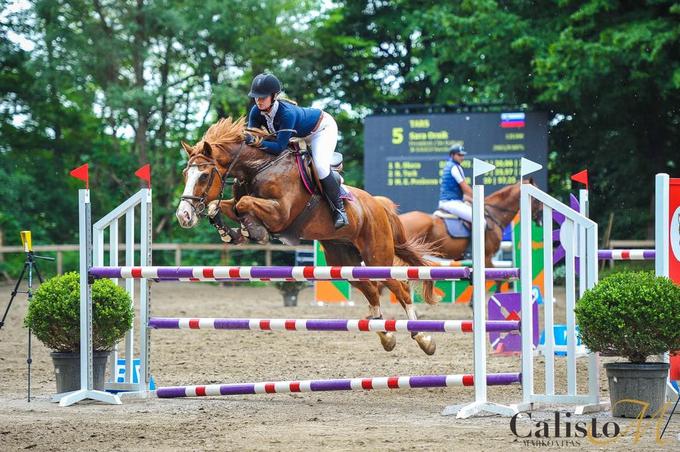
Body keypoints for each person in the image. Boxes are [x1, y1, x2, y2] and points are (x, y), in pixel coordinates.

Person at [244, 73, 348, 229]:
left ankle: (339, 210)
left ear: (274, 96)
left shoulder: (287, 114)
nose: (258, 101)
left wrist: (256, 142)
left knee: (320, 166)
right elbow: (253, 137)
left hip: (320, 130)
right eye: (256, 97)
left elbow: (278, 147)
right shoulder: (255, 111)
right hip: (297, 135)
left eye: (262, 97)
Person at [438, 144, 473, 222]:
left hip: (448, 201)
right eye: (459, 155)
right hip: (452, 203)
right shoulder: (455, 167)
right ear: (452, 155)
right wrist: (479, 199)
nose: (462, 157)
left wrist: (470, 199)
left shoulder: (448, 165)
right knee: (480, 220)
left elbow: (459, 193)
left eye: (463, 155)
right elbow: (466, 189)